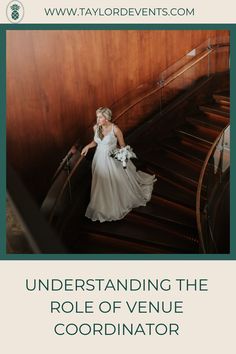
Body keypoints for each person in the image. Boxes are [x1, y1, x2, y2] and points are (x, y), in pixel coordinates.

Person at [81, 107, 156, 222]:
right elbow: (95, 141)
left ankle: (115, 202)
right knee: (100, 181)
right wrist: (87, 146)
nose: (98, 119)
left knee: (114, 180)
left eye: (100, 117)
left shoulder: (115, 130)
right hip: (99, 159)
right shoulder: (96, 127)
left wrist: (122, 156)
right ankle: (100, 205)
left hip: (111, 159)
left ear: (106, 118)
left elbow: (122, 146)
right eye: (97, 117)